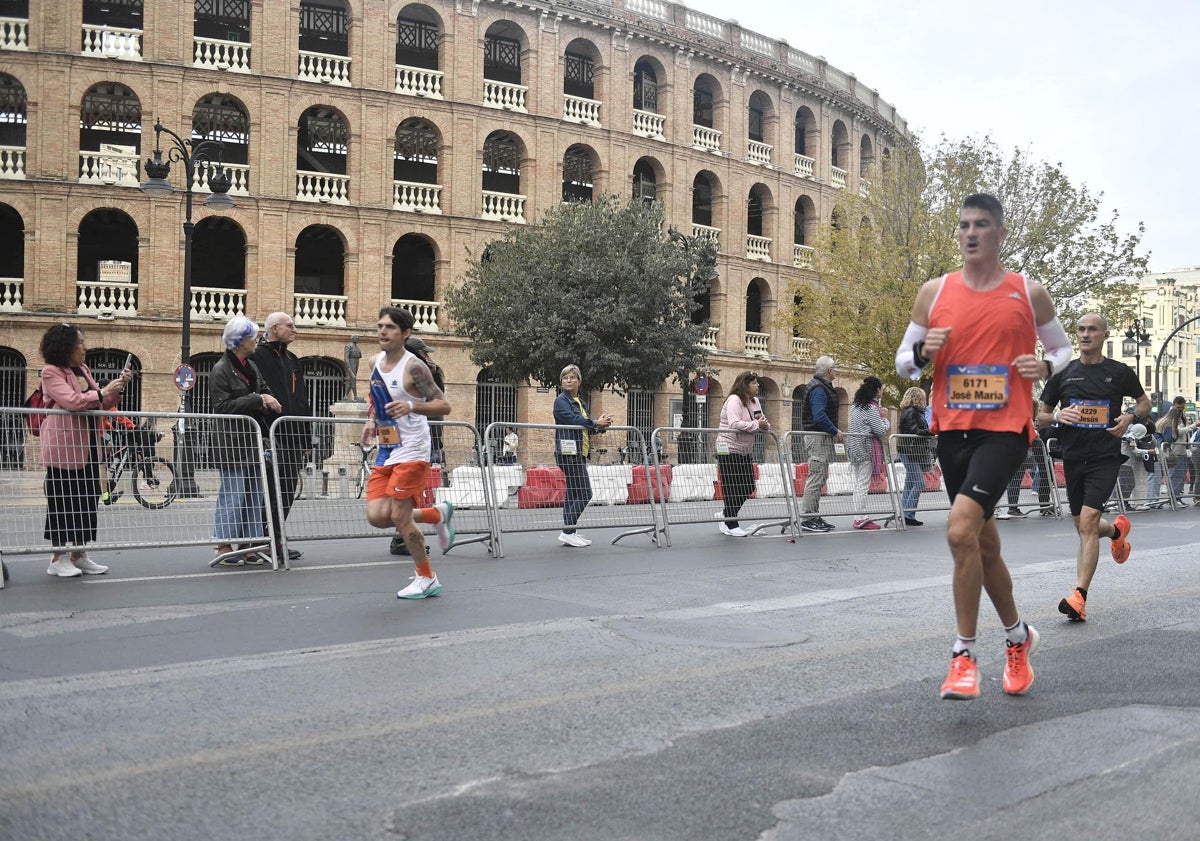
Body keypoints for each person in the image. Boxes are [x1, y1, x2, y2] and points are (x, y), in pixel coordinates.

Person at [895, 192, 1073, 701]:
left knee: (958, 531)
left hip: (1006, 430)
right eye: (964, 225)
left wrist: (1048, 368)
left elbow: (1060, 349)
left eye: (981, 225)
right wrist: (920, 354)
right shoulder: (935, 292)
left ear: (1000, 233)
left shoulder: (1027, 292)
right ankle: (1019, 638)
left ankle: (963, 656)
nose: (970, 233)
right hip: (953, 431)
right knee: (984, 544)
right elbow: (902, 362)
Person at [1036, 312, 1151, 622]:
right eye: (1081, 329)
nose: (1085, 334)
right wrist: (1059, 417)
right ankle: (1116, 531)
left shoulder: (1119, 372)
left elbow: (1144, 403)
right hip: (1073, 457)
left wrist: (1130, 417)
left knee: (1087, 522)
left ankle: (1079, 597)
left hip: (1104, 458)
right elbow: (1041, 417)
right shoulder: (1063, 375)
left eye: (1092, 330)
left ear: (1105, 335)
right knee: (1084, 527)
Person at [362, 307, 455, 599]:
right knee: (377, 516)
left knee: (401, 518)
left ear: (405, 333)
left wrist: (412, 406)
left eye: (389, 327)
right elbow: (377, 396)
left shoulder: (415, 367)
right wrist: (370, 420)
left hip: (413, 449)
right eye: (380, 326)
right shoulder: (374, 361)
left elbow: (444, 405)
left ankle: (427, 577)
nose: (382, 332)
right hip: (387, 448)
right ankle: (435, 514)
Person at [38, 323, 132, 577]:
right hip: (63, 445)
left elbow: (100, 402)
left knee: (87, 498)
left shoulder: (83, 369)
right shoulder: (51, 372)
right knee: (63, 499)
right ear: (64, 346)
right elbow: (71, 401)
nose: (84, 346)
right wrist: (102, 392)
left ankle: (79, 554)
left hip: (88, 442)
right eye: (80, 342)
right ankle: (58, 558)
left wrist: (117, 389)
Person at [210, 316, 282, 567]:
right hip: (231, 443)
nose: (257, 341)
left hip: (252, 440)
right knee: (233, 493)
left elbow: (265, 390)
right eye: (253, 337)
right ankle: (223, 545)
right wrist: (257, 399)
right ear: (240, 341)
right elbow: (222, 406)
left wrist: (267, 399)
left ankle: (249, 543)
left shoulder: (250, 366)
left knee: (253, 493)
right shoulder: (221, 370)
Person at [253, 311, 310, 561]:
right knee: (270, 490)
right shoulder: (258, 357)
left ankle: (276, 538)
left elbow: (302, 399)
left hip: (293, 435)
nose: (294, 329)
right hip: (270, 435)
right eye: (289, 325)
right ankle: (262, 539)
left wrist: (307, 440)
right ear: (274, 329)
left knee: (287, 489)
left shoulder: (293, 359)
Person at [553, 364, 612, 547]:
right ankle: (567, 531)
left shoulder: (580, 401)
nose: (568, 380)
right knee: (585, 493)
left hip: (579, 452)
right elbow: (574, 420)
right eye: (565, 378)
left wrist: (600, 427)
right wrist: (595, 421)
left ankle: (570, 531)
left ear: (579, 380)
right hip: (568, 453)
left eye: (572, 377)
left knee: (572, 494)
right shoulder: (561, 401)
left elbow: (585, 428)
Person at [715, 371, 769, 537]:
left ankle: (725, 514)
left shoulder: (754, 401)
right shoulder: (734, 400)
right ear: (745, 385)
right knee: (732, 487)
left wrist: (765, 425)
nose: (758, 385)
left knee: (748, 486)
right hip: (728, 448)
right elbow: (734, 423)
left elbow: (760, 420)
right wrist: (756, 425)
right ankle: (731, 523)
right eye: (754, 383)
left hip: (744, 450)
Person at [798, 355, 843, 532]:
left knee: (820, 475)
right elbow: (819, 415)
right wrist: (835, 430)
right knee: (816, 476)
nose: (836, 371)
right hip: (817, 437)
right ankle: (808, 516)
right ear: (830, 371)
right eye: (835, 367)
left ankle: (814, 514)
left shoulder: (821, 386)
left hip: (820, 436)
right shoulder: (818, 389)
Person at [846, 376, 889, 530]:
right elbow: (880, 430)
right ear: (877, 390)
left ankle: (858, 516)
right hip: (866, 449)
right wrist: (884, 419)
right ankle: (861, 517)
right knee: (863, 484)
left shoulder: (855, 406)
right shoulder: (871, 408)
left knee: (858, 483)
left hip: (855, 447)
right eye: (881, 389)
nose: (882, 392)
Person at [897, 386, 932, 526]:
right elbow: (914, 430)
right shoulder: (912, 411)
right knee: (919, 482)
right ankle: (908, 514)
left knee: (910, 482)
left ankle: (905, 512)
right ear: (918, 397)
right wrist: (929, 432)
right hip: (910, 450)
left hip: (910, 450)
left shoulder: (911, 411)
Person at [343, 335, 362, 400]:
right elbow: (346, 358)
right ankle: (355, 396)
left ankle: (345, 395)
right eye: (356, 338)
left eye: (358, 338)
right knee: (353, 378)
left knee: (351, 379)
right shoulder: (348, 346)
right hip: (352, 362)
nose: (358, 339)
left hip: (356, 361)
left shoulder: (357, 346)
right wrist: (349, 369)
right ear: (352, 338)